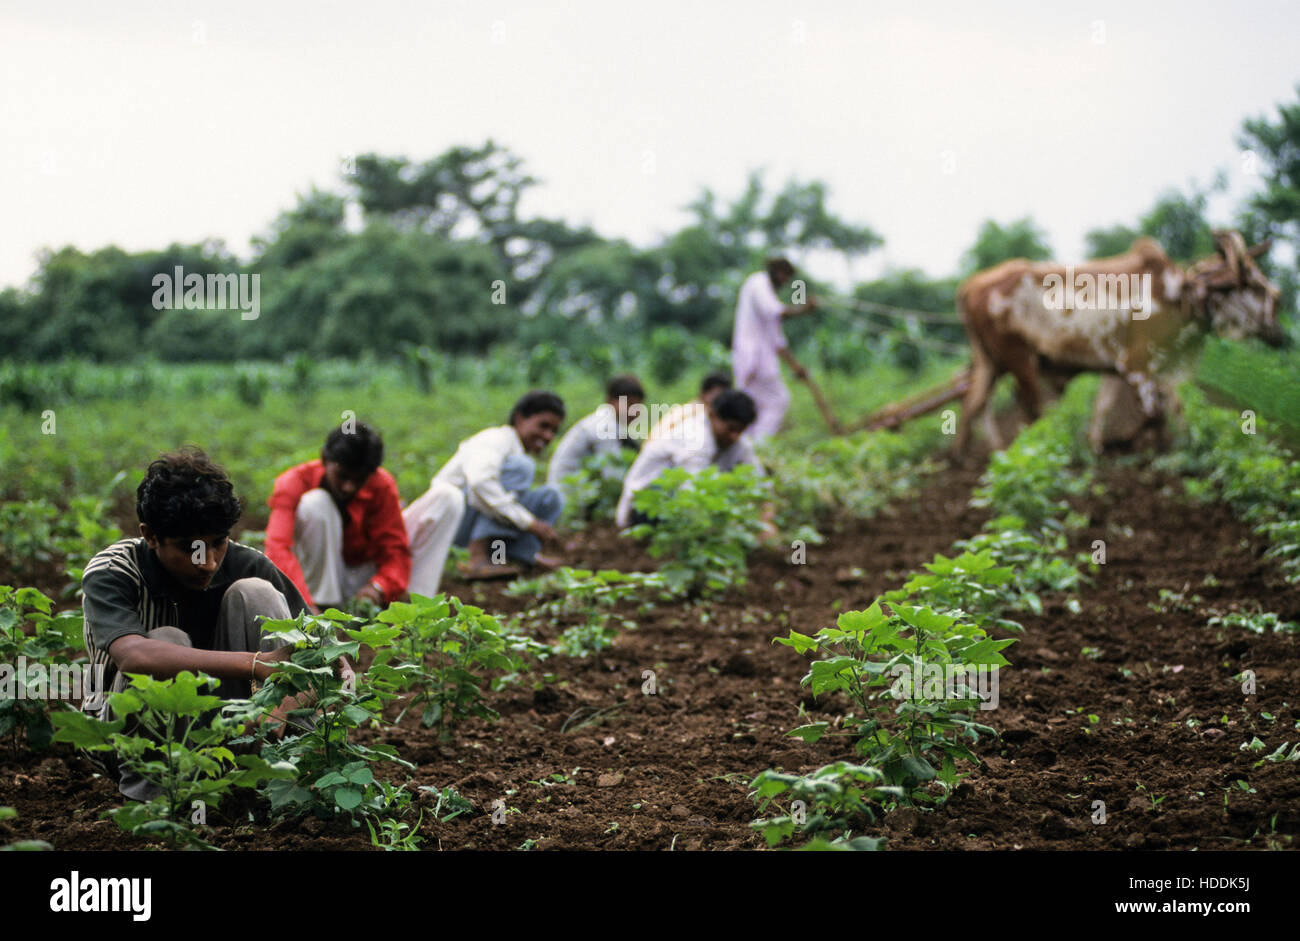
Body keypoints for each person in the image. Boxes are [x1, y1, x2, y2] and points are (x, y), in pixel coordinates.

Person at [80, 448, 316, 799]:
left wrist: (279, 708)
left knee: (257, 594)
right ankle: (161, 802)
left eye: (217, 543)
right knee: (167, 640)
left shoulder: (246, 564)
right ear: (150, 536)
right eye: (190, 548)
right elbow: (134, 656)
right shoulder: (115, 571)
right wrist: (256, 666)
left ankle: (287, 780)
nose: (207, 562)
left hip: (233, 733)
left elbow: (322, 656)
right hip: (129, 744)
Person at [405, 390, 566, 584]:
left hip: (470, 516)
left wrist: (529, 521)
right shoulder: (495, 439)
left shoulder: (516, 450)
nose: (547, 436)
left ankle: (517, 557)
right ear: (520, 418)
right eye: (543, 425)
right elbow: (480, 484)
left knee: (550, 497)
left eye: (553, 431)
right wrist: (529, 522)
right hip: (451, 519)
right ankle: (478, 559)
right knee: (521, 468)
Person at [265, 422, 410, 612]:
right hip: (310, 580)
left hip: (359, 576)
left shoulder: (381, 485)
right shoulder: (294, 482)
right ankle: (321, 606)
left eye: (359, 480)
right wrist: (303, 602)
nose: (349, 487)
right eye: (342, 476)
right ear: (325, 459)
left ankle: (410, 605)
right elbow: (277, 547)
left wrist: (379, 586)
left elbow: (395, 550)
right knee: (316, 503)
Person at [615, 388, 772, 531]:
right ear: (712, 415)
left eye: (740, 430)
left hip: (680, 506)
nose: (734, 436)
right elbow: (691, 492)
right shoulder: (694, 437)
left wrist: (766, 521)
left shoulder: (739, 443)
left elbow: (761, 483)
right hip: (644, 506)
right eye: (730, 428)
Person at [731, 257, 819, 440]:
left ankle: (747, 447)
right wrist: (803, 309)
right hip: (755, 359)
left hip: (754, 360)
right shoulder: (758, 283)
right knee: (778, 400)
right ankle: (759, 446)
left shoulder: (765, 291)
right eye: (784, 275)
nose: (784, 281)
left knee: (753, 406)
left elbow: (777, 339)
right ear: (776, 271)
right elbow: (775, 312)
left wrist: (795, 365)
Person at [546, 374, 645, 502]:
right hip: (566, 497)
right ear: (610, 401)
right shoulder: (604, 426)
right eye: (629, 405)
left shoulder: (604, 422)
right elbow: (612, 476)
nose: (634, 412)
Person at [646, 370, 732, 442]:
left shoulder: (685, 409)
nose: (721, 402)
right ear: (703, 393)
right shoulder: (699, 414)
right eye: (718, 396)